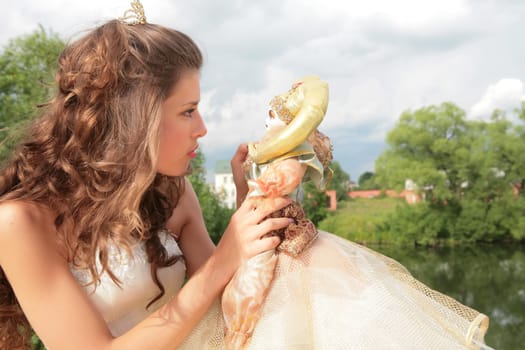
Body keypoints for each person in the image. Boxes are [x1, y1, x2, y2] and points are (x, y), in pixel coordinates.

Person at [0, 2, 293, 349]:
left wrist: (253, 205)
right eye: (188, 111)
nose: (202, 129)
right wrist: (222, 261)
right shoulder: (20, 223)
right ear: (136, 117)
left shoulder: (174, 192)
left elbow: (233, 307)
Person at [178, 76, 494, 350]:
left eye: (269, 122)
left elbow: (216, 268)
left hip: (285, 247)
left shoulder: (288, 163)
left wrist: (248, 191)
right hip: (267, 247)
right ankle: (237, 329)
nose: (263, 132)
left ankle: (238, 329)